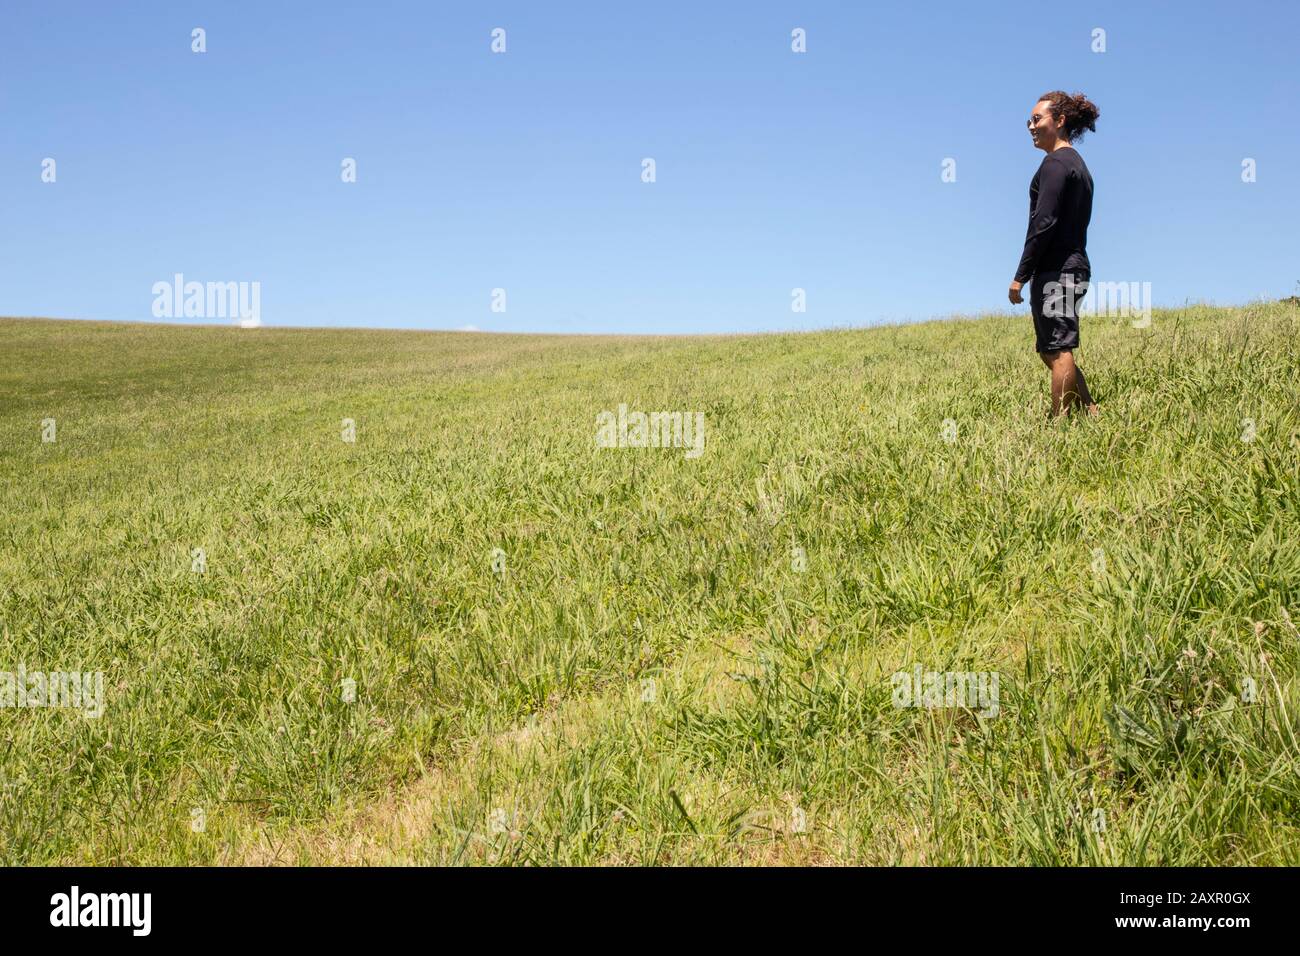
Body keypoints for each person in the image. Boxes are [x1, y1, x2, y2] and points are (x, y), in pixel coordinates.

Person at [1008, 91, 1101, 417]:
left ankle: (1058, 427)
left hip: (1057, 269)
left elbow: (1043, 223)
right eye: (1029, 121)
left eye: (1037, 119)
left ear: (1059, 121)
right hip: (1072, 266)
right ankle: (1090, 410)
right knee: (1053, 349)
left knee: (1058, 351)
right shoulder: (1077, 165)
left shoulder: (1055, 164)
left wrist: (1021, 274)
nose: (1031, 126)